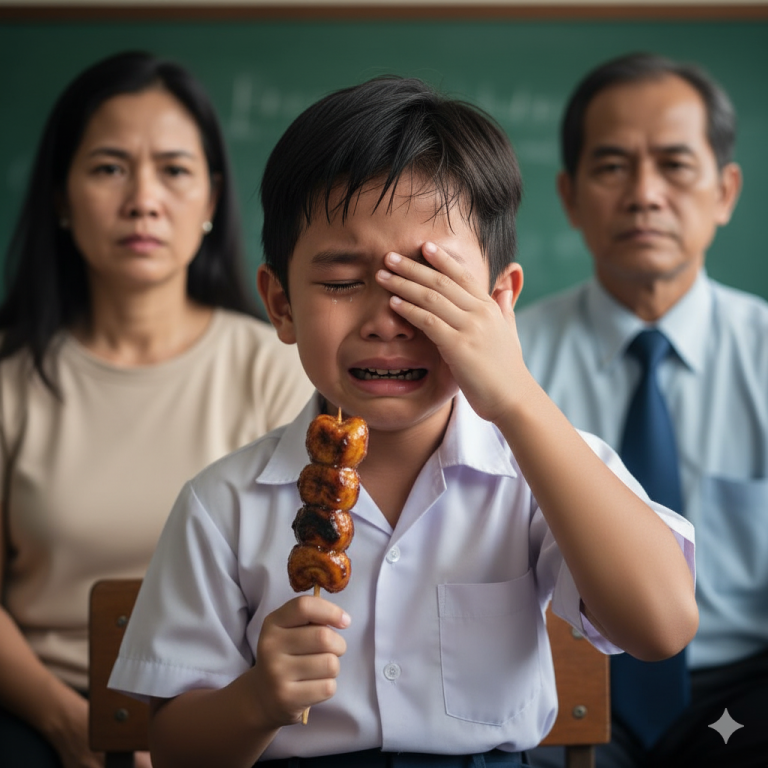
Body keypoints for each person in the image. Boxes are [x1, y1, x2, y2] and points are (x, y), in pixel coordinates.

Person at [108, 75, 697, 768]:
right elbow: (173, 751)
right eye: (338, 282)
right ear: (281, 304)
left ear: (499, 302)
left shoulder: (538, 470)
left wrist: (514, 395)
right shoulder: (222, 506)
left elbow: (660, 626)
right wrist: (257, 700)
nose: (387, 320)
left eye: (428, 284)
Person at [0, 51, 314, 768]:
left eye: (174, 170)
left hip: (241, 715)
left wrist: (196, 729)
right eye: (109, 167)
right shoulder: (10, 379)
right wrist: (66, 720)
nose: (143, 198)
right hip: (43, 716)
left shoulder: (280, 366)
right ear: (59, 195)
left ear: (210, 198)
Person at [518, 52, 768, 768]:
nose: (645, 194)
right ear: (568, 196)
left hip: (741, 692)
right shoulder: (506, 366)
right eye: (612, 166)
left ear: (725, 191)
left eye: (675, 165)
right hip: (557, 678)